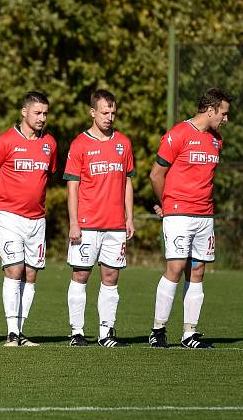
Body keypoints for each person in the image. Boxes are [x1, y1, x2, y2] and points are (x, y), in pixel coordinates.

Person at [148, 88, 231, 349]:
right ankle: (158, 331)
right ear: (211, 110)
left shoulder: (216, 140)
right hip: (179, 215)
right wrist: (167, 205)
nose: (225, 119)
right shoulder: (178, 135)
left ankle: (189, 334)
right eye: (224, 113)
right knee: (175, 267)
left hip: (204, 216)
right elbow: (155, 175)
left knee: (198, 269)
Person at [0, 91, 57, 347]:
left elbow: (49, 177)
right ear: (24, 112)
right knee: (14, 270)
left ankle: (21, 332)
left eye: (45, 113)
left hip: (37, 218)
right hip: (8, 216)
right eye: (38, 113)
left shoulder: (50, 143)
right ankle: (12, 332)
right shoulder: (4, 141)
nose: (42, 118)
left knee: (31, 273)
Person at [64, 90, 135, 347]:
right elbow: (72, 186)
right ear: (92, 112)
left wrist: (129, 217)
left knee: (111, 278)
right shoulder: (79, 145)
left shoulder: (123, 143)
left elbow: (127, 181)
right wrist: (74, 223)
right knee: (81, 275)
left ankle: (107, 333)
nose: (110, 117)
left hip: (115, 225)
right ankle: (77, 332)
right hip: (87, 224)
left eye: (113, 112)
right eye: (105, 112)